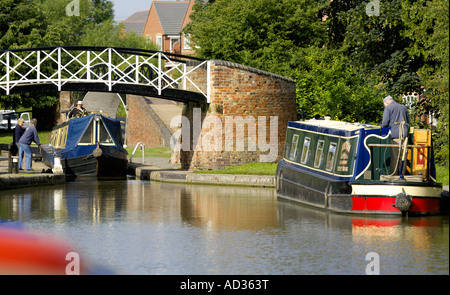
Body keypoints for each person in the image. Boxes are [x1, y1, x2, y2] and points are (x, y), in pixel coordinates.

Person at [381, 95, 410, 175]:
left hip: (395, 135)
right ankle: (402, 174)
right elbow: (408, 122)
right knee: (403, 156)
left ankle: (394, 175)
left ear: (386, 103)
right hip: (404, 135)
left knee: (395, 157)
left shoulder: (388, 108)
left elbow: (384, 123)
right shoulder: (403, 107)